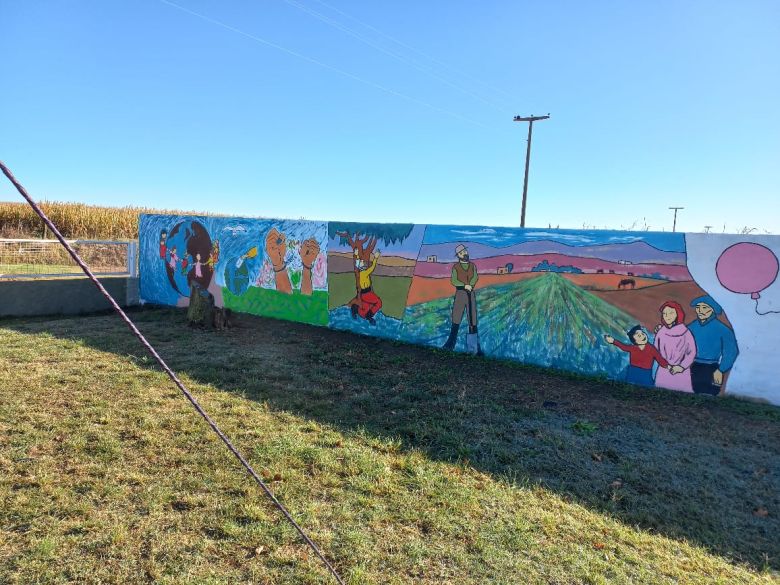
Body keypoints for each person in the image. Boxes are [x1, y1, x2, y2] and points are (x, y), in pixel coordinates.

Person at [687, 295, 739, 395]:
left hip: (711, 368)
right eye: (698, 307)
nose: (700, 311)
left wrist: (721, 370)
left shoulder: (723, 329)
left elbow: (731, 351)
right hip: (694, 366)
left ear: (713, 310)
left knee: (709, 395)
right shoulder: (693, 326)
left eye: (705, 307)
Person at [442, 244, 482, 354]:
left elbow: (475, 277)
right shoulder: (456, 267)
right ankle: (450, 344)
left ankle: (474, 348)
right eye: (462, 252)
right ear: (458, 255)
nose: (465, 253)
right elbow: (454, 280)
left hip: (471, 294)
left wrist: (471, 285)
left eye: (465, 251)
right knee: (456, 318)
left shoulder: (472, 265)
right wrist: (465, 286)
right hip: (460, 293)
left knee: (473, 320)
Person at [604, 325, 670, 387]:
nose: (642, 336)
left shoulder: (651, 348)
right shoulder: (633, 348)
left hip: (646, 374)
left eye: (642, 333)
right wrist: (613, 341)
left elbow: (660, 359)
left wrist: (669, 367)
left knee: (647, 387)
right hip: (633, 372)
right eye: (638, 335)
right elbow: (623, 347)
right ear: (634, 340)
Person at [653, 300, 696, 392]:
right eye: (664, 313)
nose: (667, 316)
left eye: (671, 313)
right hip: (663, 369)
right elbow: (656, 351)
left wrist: (681, 367)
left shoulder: (685, 333)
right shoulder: (661, 332)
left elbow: (691, 352)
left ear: (678, 314)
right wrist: (665, 364)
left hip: (681, 371)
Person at [350, 249, 382, 325]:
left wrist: (356, 255)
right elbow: (373, 267)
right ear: (360, 266)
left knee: (366, 305)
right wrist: (375, 258)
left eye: (362, 262)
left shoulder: (359, 273)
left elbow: (357, 263)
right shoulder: (365, 272)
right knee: (378, 302)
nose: (363, 263)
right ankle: (368, 316)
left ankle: (355, 309)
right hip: (367, 293)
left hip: (364, 294)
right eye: (362, 262)